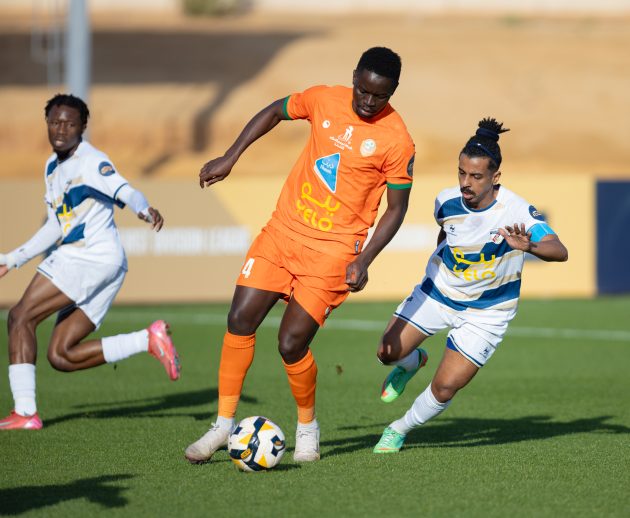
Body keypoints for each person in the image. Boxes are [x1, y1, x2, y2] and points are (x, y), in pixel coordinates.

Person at [185, 47, 415, 463]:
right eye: (362, 90)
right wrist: (231, 157)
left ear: (393, 90)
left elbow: (396, 209)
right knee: (239, 319)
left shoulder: (397, 140)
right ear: (354, 77)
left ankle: (307, 427)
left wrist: (364, 260)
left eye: (379, 95)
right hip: (282, 233)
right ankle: (222, 425)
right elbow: (274, 111)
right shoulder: (323, 98)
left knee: (290, 344)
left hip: (333, 251)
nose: (368, 101)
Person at [372, 117, 568, 453]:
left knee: (445, 387)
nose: (466, 182)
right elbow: (445, 233)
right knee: (386, 353)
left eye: (476, 176)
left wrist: (530, 246)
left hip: (488, 312)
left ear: (495, 177)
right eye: (461, 173)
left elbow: (560, 251)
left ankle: (399, 429)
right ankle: (411, 362)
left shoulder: (517, 211)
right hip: (439, 293)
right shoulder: (445, 201)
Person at [0, 94, 181, 430]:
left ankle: (25, 413)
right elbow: (56, 224)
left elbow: (125, 191)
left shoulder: (92, 161)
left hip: (88, 256)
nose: (61, 129)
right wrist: (13, 258)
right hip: (105, 263)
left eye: (69, 123)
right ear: (47, 124)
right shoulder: (52, 167)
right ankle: (148, 339)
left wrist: (144, 209)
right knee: (61, 355)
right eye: (55, 122)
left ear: (82, 127)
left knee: (20, 316)